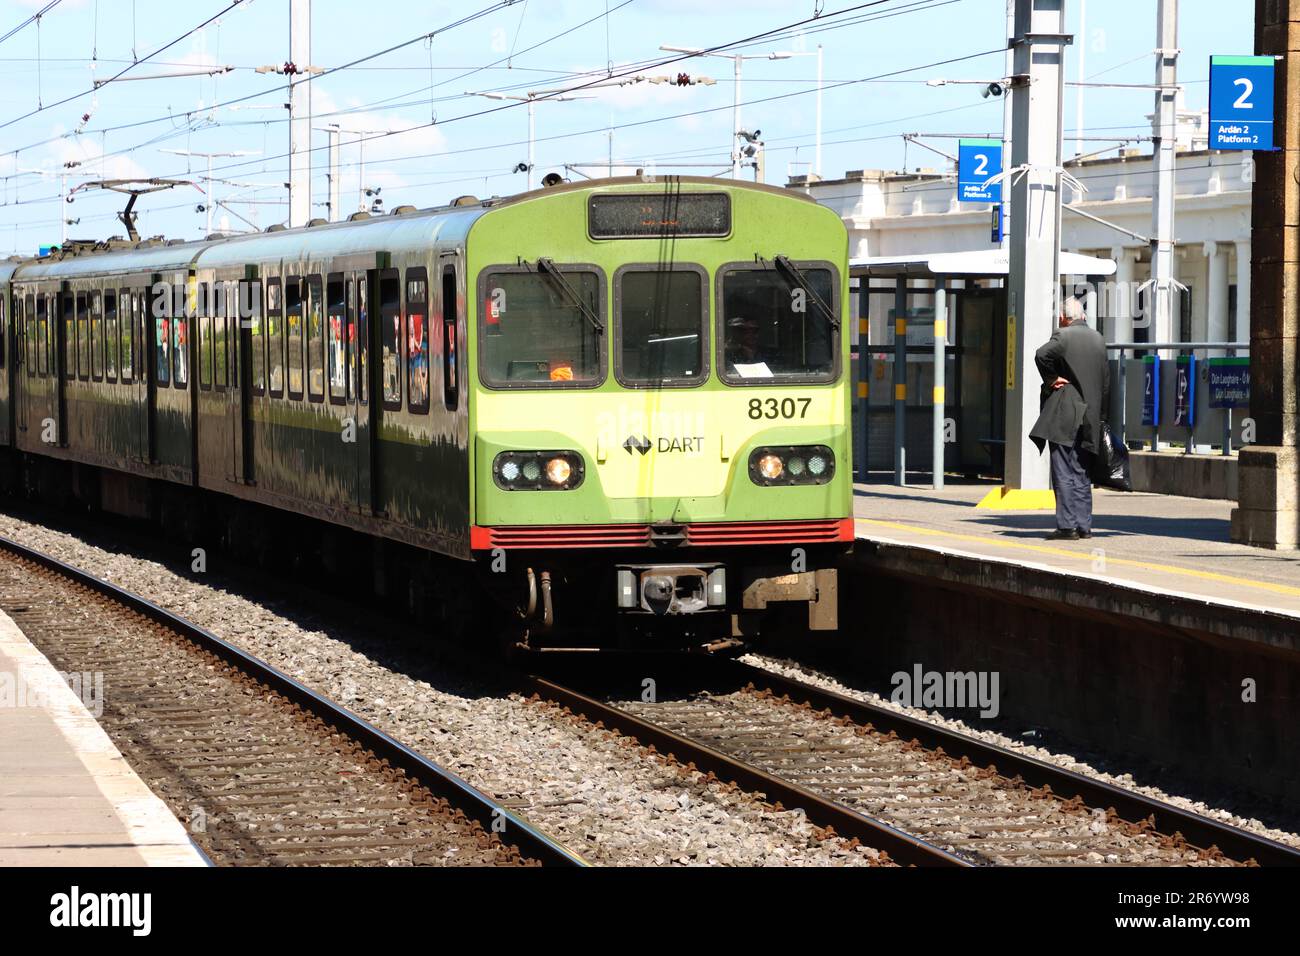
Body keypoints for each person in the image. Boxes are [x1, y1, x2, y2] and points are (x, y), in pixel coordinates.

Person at [1030, 296, 1110, 541]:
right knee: (1082, 470)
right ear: (1083, 316)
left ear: (1064, 318)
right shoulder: (1099, 339)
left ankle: (1067, 527)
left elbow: (1040, 354)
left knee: (1063, 468)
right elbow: (1106, 382)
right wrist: (1102, 417)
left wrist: (1052, 378)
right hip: (1091, 414)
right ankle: (1084, 526)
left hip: (1066, 413)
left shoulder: (1063, 336)